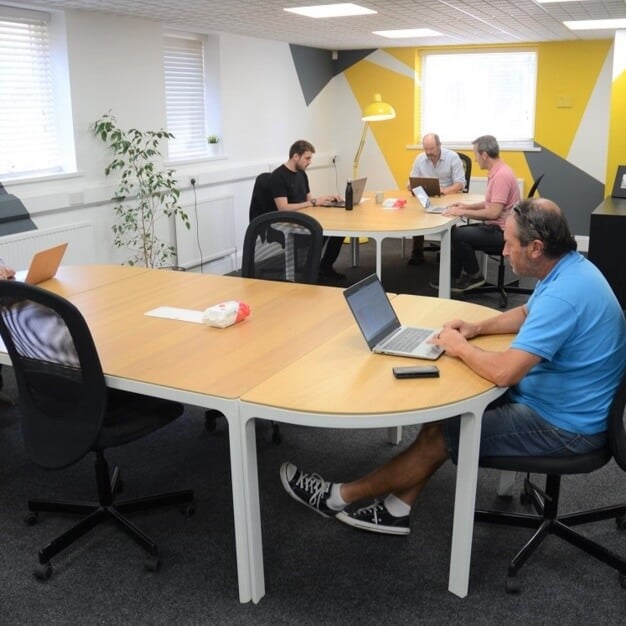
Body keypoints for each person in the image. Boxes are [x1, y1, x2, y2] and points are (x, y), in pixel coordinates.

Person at [279, 198, 626, 536]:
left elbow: (505, 372)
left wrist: (460, 347)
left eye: (509, 244)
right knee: (444, 414)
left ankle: (336, 497)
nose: (503, 252)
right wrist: (477, 329)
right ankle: (396, 509)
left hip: (566, 427)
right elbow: (526, 313)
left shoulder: (564, 296)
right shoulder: (569, 268)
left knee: (447, 434)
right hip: (563, 400)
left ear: (535, 248)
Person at [437, 134, 520, 292]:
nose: (475, 159)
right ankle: (451, 278)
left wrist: (462, 212)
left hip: (502, 232)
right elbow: (491, 203)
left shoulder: (501, 176)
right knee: (456, 232)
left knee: (456, 235)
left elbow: (493, 213)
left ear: (484, 155)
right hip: (499, 227)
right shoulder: (499, 171)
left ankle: (475, 275)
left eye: (475, 154)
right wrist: (466, 207)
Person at [271, 139, 346, 280]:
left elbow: (308, 200)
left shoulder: (301, 173)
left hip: (302, 216)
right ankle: (309, 269)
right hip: (286, 221)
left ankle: (324, 267)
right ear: (295, 156)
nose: (309, 161)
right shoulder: (278, 176)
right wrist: (312, 202)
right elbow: (283, 208)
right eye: (307, 158)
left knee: (339, 230)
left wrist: (324, 200)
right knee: (319, 230)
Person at [407, 133, 466, 265]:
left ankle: (450, 253)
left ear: (439, 145)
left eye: (432, 149)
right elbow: (412, 180)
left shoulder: (452, 157)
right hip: (426, 196)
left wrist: (445, 191)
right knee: (417, 215)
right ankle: (417, 253)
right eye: (426, 149)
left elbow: (461, 183)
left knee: (450, 214)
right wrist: (411, 186)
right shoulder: (419, 159)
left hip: (448, 195)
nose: (428, 152)